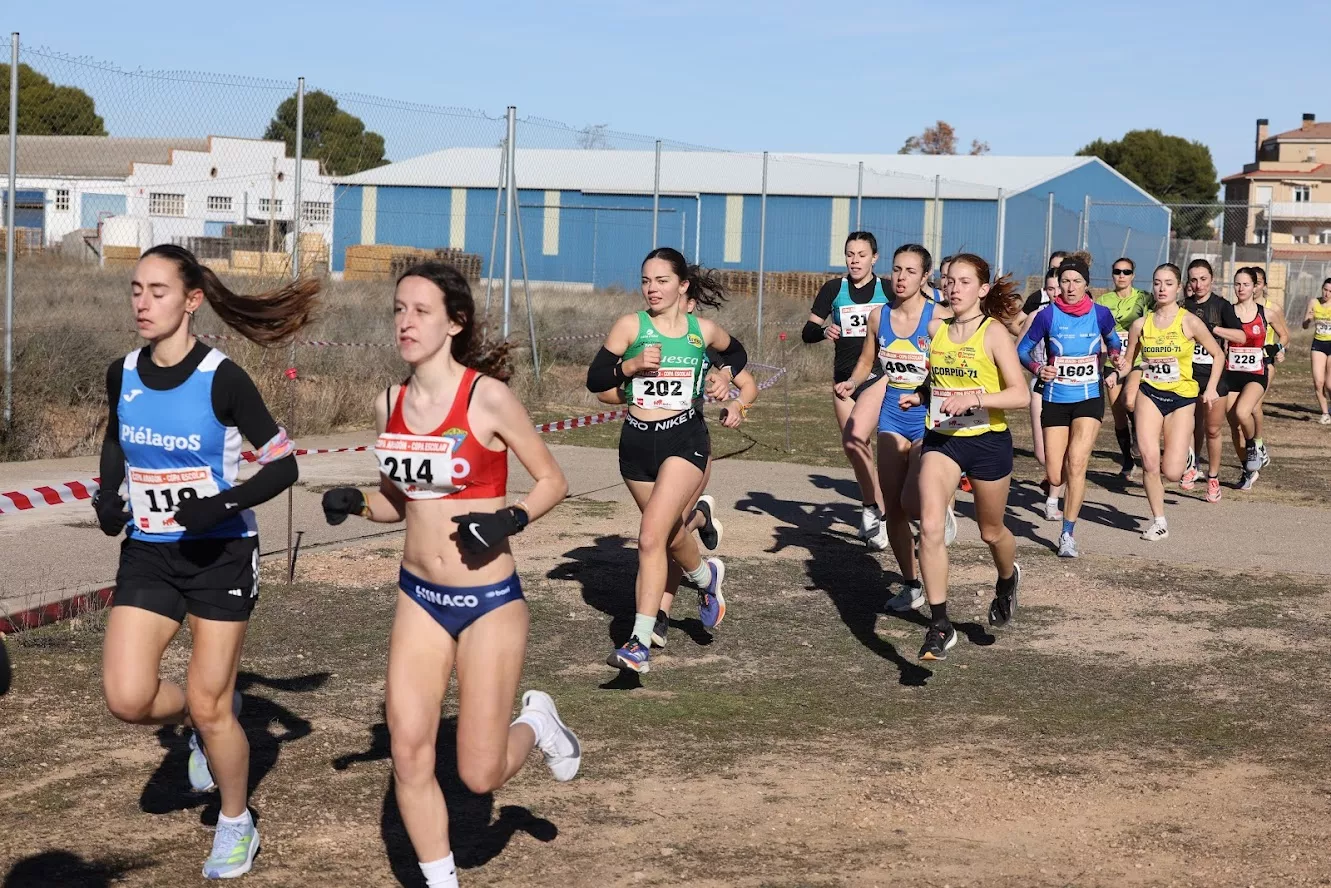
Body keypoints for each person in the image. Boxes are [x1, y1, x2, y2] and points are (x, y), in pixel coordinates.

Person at [320, 262, 578, 888]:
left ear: (454, 324)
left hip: (489, 599)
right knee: (409, 752)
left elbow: (554, 481)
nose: (405, 322)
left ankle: (537, 721)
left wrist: (508, 519)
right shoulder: (389, 402)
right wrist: (355, 503)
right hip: (419, 597)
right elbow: (398, 502)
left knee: (478, 775)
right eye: (398, 310)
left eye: (421, 311)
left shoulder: (485, 397)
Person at [93, 243, 317, 879]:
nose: (142, 302)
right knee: (127, 697)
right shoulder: (124, 371)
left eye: (157, 291)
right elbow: (117, 438)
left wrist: (222, 504)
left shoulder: (222, 377)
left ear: (192, 301)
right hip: (150, 554)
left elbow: (283, 464)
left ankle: (236, 822)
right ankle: (205, 714)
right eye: (136, 289)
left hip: (220, 555)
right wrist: (108, 494)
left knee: (211, 700)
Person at [587, 248, 748, 674]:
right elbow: (596, 380)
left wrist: (725, 379)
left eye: (661, 281)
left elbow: (738, 355)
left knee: (649, 538)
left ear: (682, 286)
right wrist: (631, 365)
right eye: (646, 281)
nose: (652, 289)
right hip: (636, 445)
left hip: (685, 440)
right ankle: (705, 578)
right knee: (670, 533)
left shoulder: (702, 331)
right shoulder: (630, 326)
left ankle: (639, 641)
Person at [898, 253, 1028, 661]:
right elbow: (936, 380)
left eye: (964, 281)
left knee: (991, 532)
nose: (954, 288)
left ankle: (1007, 579)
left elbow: (1020, 394)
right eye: (949, 281)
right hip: (942, 440)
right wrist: (919, 395)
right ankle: (940, 625)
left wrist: (976, 397)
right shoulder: (936, 329)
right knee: (931, 526)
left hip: (988, 442)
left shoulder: (993, 335)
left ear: (983, 290)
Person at [836, 244, 955, 611]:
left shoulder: (940, 319)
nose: (901, 278)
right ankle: (911, 584)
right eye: (897, 270)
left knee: (912, 502)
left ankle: (940, 510)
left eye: (910, 271)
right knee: (895, 511)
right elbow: (867, 361)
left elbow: (953, 371)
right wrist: (852, 384)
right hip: (891, 414)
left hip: (928, 418)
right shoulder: (878, 316)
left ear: (925, 278)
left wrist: (925, 393)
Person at [1017, 257, 1123, 558]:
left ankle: (1068, 533)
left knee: (1077, 462)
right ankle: (1060, 487)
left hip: (1089, 397)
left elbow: (1114, 342)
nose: (1071, 287)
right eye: (1065, 281)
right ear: (1057, 284)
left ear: (1087, 284)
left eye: (1077, 281)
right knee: (1054, 474)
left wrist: (1116, 357)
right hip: (1055, 398)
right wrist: (1039, 368)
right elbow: (1022, 350)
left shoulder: (1100, 314)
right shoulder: (1047, 316)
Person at [804, 233, 891, 549]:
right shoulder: (833, 289)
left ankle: (880, 512)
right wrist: (824, 329)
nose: (855, 260)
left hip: (877, 376)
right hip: (842, 380)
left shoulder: (888, 289)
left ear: (874, 258)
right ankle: (873, 509)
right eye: (850, 254)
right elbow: (808, 330)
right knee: (856, 449)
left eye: (861, 254)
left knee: (862, 440)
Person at [1125, 264, 1224, 540]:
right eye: (1157, 283)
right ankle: (1159, 521)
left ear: (1179, 287)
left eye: (1168, 283)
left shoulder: (1189, 321)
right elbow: (1130, 361)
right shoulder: (1140, 324)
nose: (1161, 288)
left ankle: (1185, 457)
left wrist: (1212, 388)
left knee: (1172, 471)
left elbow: (1218, 355)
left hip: (1182, 399)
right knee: (1148, 461)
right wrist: (1113, 372)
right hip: (1151, 394)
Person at [1179, 260, 1244, 502]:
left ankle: (1213, 478)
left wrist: (1212, 330)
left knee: (1213, 429)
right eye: (1193, 280)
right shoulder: (1182, 306)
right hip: (1186, 375)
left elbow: (1240, 335)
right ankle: (1190, 466)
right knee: (1187, 426)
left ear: (1212, 279)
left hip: (1214, 376)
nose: (1198, 284)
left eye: (1203, 279)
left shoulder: (1221, 306)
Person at [1224, 268, 1288, 490]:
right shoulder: (1227, 311)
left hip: (1256, 373)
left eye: (1245, 284)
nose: (1241, 289)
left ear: (1254, 287)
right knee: (1233, 423)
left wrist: (1277, 348)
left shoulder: (1266, 313)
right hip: (1231, 372)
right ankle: (1247, 470)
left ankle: (1254, 446)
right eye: (1237, 284)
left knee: (1244, 411)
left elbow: (1285, 335)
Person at [1095, 257, 1152, 478]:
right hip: (1112, 362)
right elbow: (1098, 330)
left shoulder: (1144, 298)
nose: (1122, 275)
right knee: (1118, 413)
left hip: (1137, 361)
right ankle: (1128, 462)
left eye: (1126, 272)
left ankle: (1140, 435)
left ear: (1133, 275)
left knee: (1129, 400)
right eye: (1117, 271)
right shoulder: (1104, 300)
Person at [1018, 269, 1064, 519]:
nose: (1055, 293)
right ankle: (1057, 478)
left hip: (1070, 388)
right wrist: (1037, 367)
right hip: (1040, 384)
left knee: (1063, 451)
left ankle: (1053, 502)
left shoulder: (1079, 317)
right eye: (1050, 288)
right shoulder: (1036, 315)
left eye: (1059, 287)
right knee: (1042, 453)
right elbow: (1019, 351)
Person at [1302, 277, 1331, 423]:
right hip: (1318, 344)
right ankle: (1325, 414)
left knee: (1330, 384)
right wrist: (1308, 320)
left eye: (1330, 291)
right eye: (1325, 290)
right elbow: (1305, 325)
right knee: (1318, 381)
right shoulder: (1314, 302)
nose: (1327, 294)